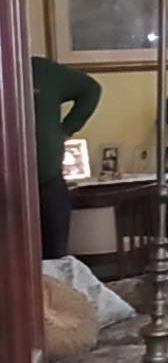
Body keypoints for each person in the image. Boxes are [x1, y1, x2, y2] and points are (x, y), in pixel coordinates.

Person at [32, 56, 101, 259]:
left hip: (47, 182)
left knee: (55, 259)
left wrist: (66, 129)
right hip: (7, 188)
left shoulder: (41, 71)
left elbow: (91, 89)